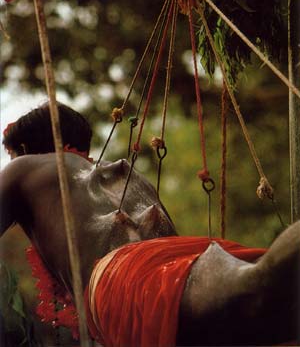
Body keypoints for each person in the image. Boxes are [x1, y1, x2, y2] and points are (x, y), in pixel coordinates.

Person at [1, 102, 299, 346]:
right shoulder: (120, 173)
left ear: (24, 147)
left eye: (11, 155)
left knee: (262, 291)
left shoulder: (23, 168)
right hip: (194, 255)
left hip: (131, 276)